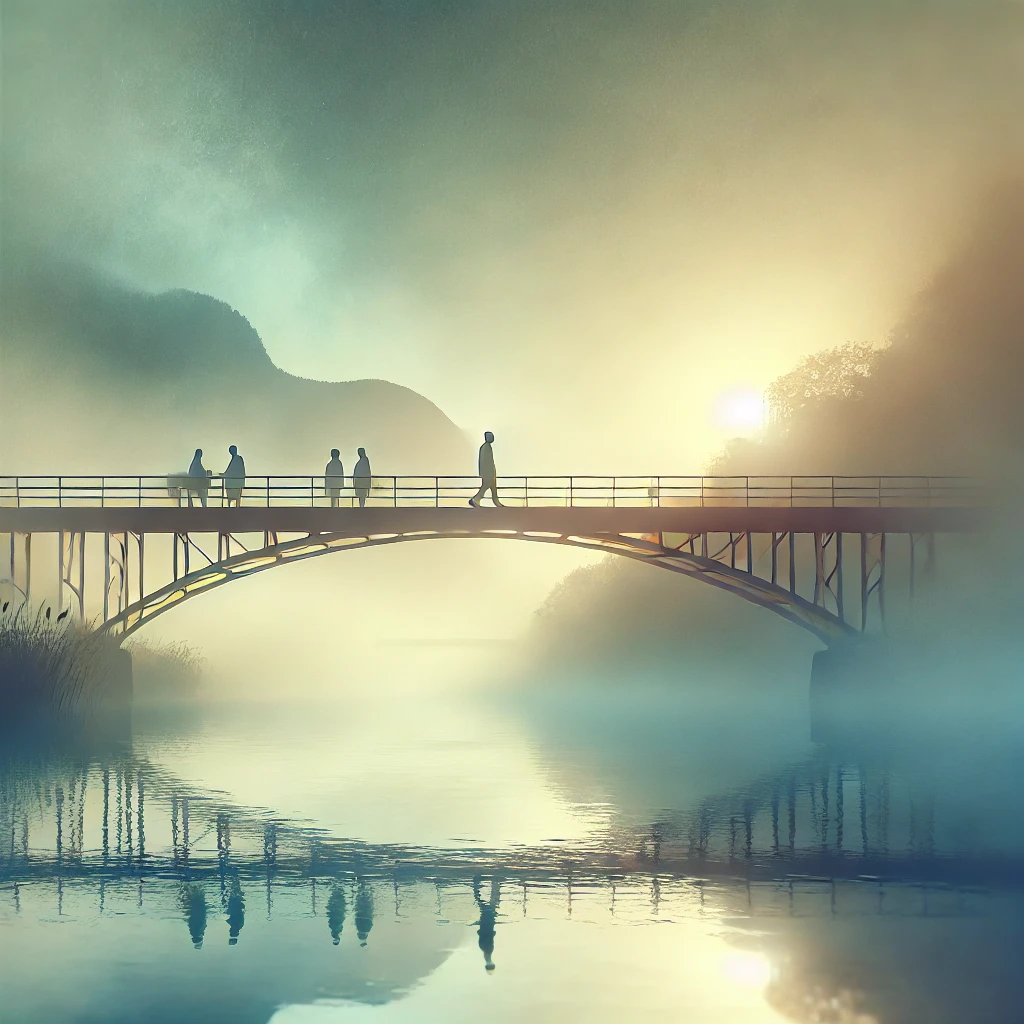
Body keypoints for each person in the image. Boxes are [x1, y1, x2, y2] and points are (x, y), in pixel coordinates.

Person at [469, 431, 503, 507]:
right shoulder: (486, 447)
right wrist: (490, 473)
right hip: (488, 473)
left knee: (493, 488)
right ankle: (475, 499)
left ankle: (496, 502)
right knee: (486, 486)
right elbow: (487, 462)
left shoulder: (485, 447)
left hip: (488, 472)